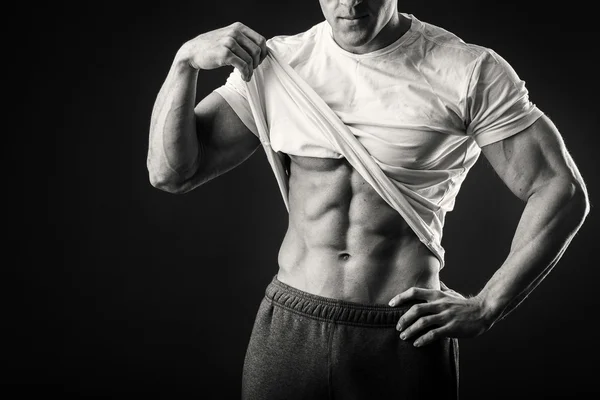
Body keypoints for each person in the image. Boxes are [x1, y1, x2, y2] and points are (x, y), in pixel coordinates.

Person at [147, 1, 589, 398]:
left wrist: (487, 305)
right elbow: (171, 173)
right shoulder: (278, 65)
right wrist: (184, 62)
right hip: (292, 324)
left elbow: (560, 188)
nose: (351, 4)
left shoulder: (467, 70)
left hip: (402, 332)